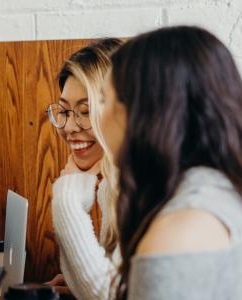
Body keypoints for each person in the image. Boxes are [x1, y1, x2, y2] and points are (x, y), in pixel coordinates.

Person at [101, 26, 242, 299]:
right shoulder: (222, 194)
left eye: (104, 100)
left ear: (142, 114)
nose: (98, 118)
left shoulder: (180, 232)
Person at [45, 38, 123, 300]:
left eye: (85, 111)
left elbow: (108, 296)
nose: (68, 127)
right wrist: (77, 284)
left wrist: (67, 200)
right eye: (65, 111)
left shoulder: (146, 187)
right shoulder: (112, 185)